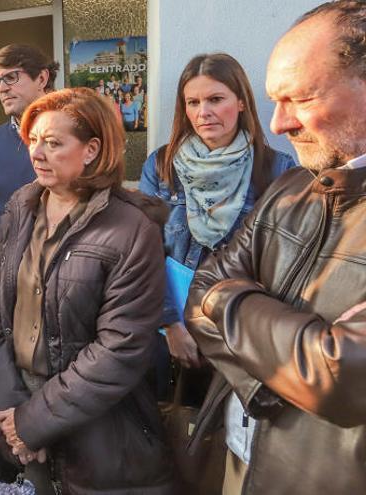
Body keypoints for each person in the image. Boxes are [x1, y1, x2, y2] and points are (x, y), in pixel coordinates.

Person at [185, 3, 366, 493]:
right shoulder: (292, 189)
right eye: (274, 100)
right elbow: (196, 292)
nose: (281, 122)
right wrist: (276, 375)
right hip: (239, 462)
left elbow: (343, 376)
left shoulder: (275, 172)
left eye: (301, 98)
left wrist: (227, 300)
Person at [0, 88, 174, 493]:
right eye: (32, 140)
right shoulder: (22, 206)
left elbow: (119, 349)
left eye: (53, 142)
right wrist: (14, 412)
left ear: (91, 150)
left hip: (95, 423)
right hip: (17, 405)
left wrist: (33, 422)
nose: (37, 153)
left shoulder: (132, 229)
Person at [139, 53, 296, 375]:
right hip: (170, 328)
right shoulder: (162, 166)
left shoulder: (277, 169)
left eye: (215, 99)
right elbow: (143, 251)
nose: (203, 112)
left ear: (241, 102)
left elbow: (283, 262)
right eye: (193, 102)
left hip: (239, 331)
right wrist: (170, 325)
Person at [0, 44, 59, 241]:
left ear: (42, 78)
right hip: (6, 265)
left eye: (11, 77)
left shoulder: (75, 133)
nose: (2, 88)